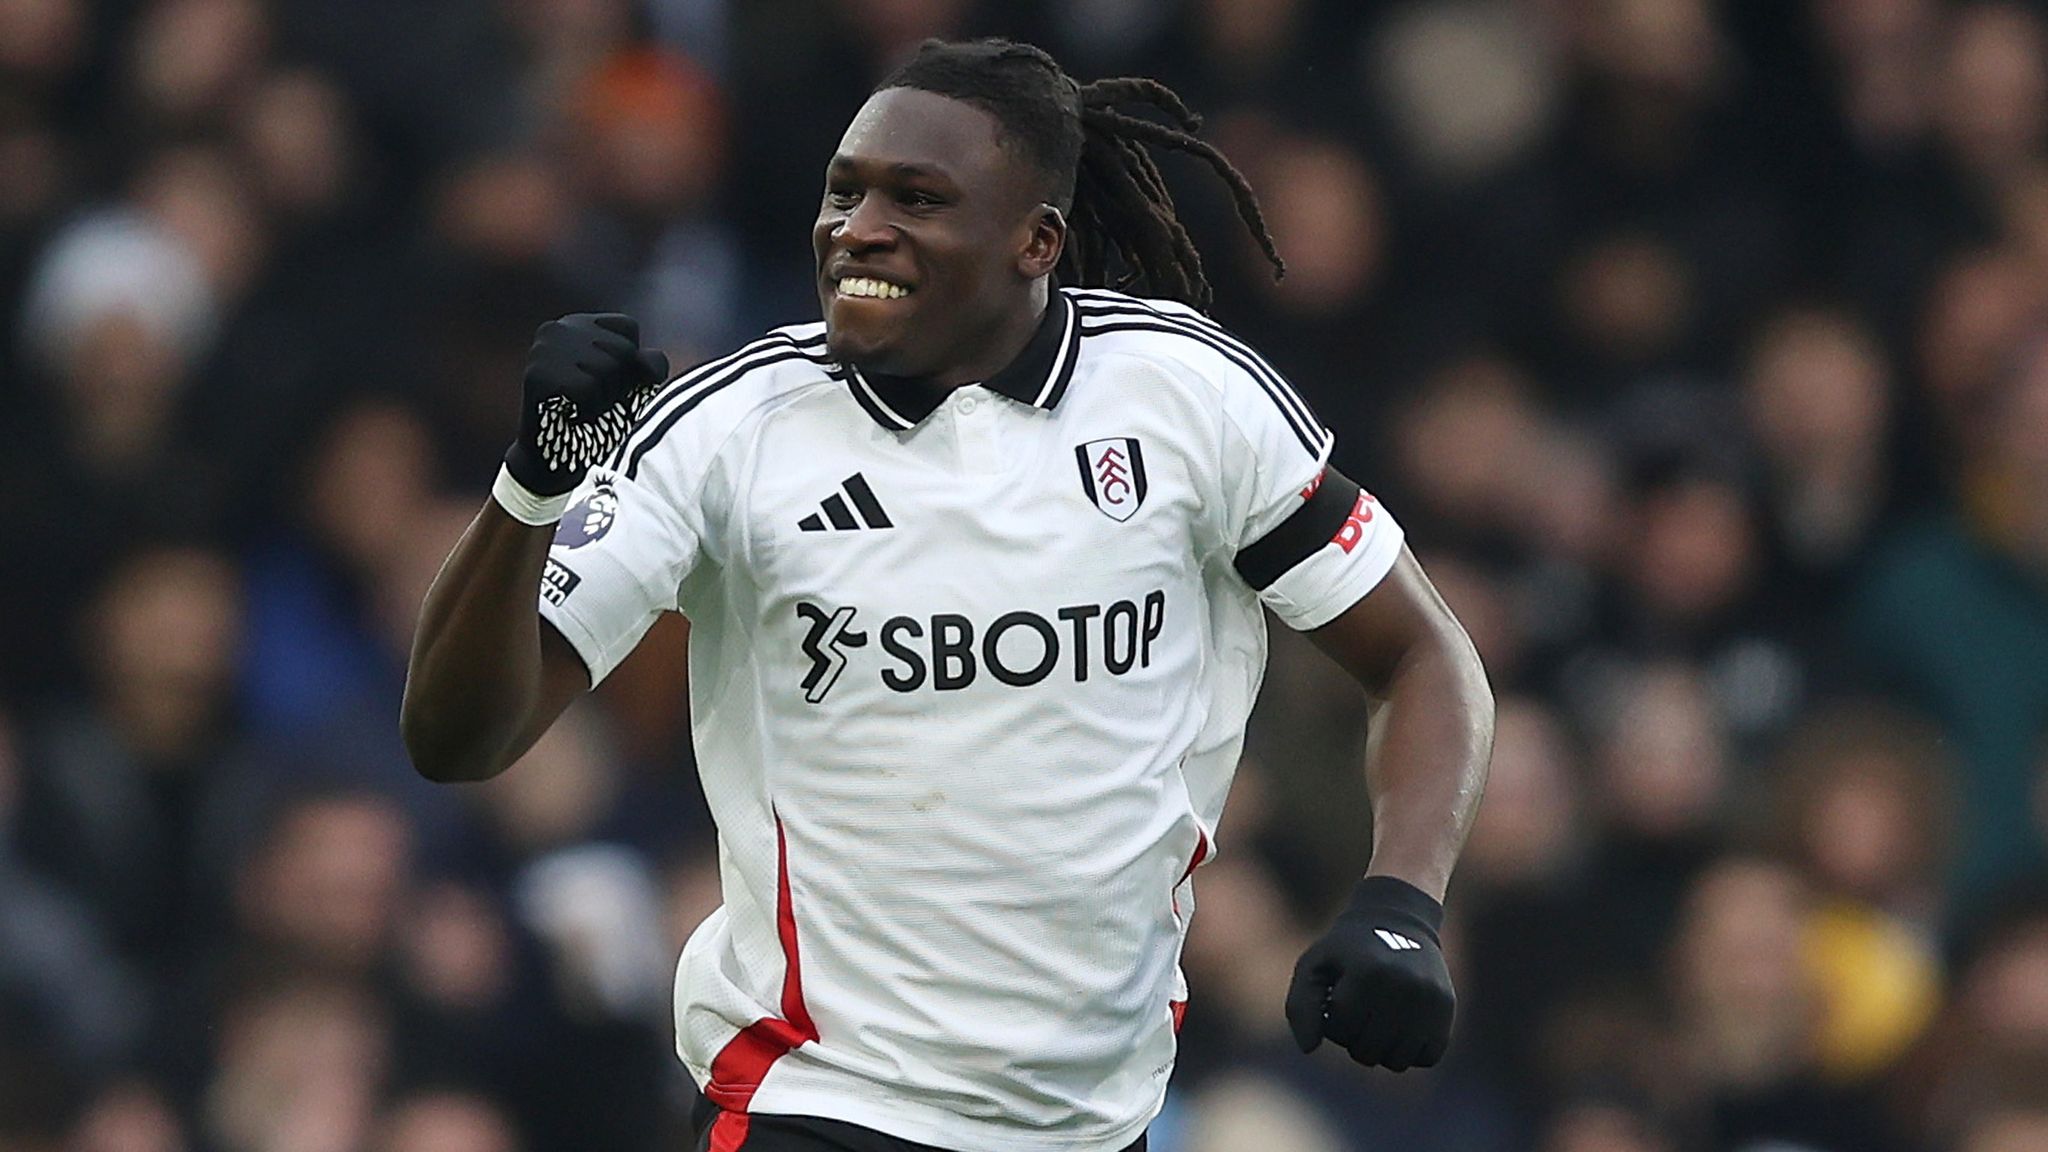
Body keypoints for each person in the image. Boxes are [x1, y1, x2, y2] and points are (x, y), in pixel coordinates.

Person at [402, 37, 1494, 1152]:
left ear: (1036, 241)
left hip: (1089, 1125)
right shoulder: (731, 429)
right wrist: (532, 490)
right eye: (844, 191)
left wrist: (1400, 901)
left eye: (916, 198)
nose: (857, 228)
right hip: (816, 1103)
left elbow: (1421, 656)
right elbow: (458, 736)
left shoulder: (1187, 399)